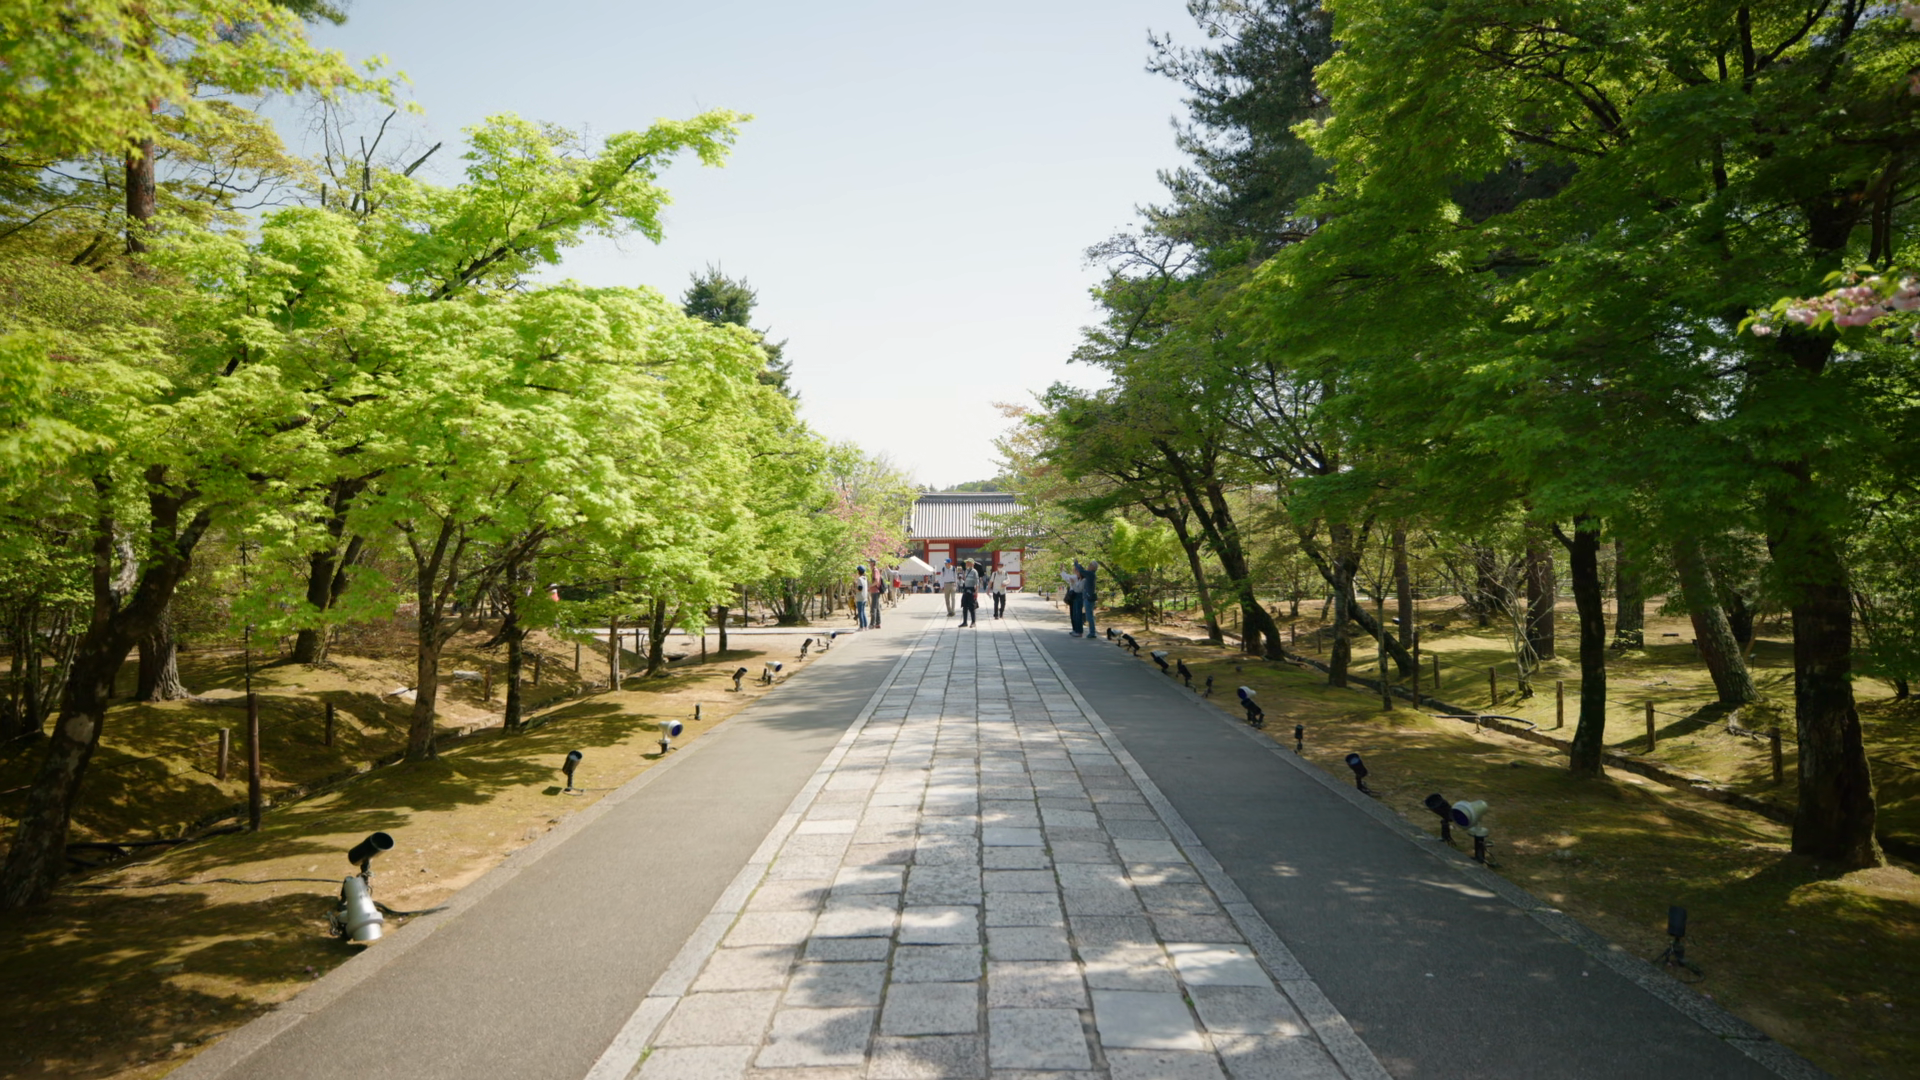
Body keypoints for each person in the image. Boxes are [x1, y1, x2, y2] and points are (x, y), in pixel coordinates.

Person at [1077, 559, 1099, 639]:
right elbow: (1083, 571)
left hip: (1089, 598)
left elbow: (1082, 571)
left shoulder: (1091, 574)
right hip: (1088, 597)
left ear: (1093, 567)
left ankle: (1092, 632)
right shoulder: (1091, 574)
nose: (1088, 566)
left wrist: (1076, 564)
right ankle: (1092, 631)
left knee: (1089, 616)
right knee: (1089, 615)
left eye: (1090, 565)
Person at [1060, 565, 1084, 636]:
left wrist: (1073, 583)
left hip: (1078, 595)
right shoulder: (1075, 577)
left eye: (1076, 570)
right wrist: (1062, 571)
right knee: (1073, 613)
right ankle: (1075, 629)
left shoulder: (1082, 579)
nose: (1075, 571)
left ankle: (1078, 630)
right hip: (1073, 596)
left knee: (1077, 614)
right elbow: (1067, 577)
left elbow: (1078, 588)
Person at [958, 559, 982, 627]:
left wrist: (976, 591)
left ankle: (973, 622)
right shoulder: (966, 571)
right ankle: (965, 622)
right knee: (964, 606)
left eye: (968, 563)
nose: (966, 564)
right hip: (966, 589)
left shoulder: (974, 572)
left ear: (972, 564)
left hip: (972, 589)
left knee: (972, 607)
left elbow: (977, 582)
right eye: (966, 563)